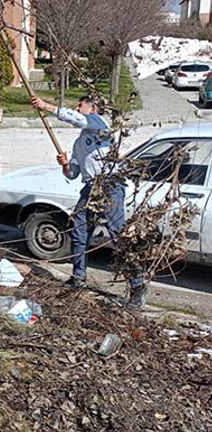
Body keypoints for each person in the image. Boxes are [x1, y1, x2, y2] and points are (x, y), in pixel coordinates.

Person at [31, 96, 148, 308]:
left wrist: (46, 106)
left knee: (118, 234)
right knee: (79, 230)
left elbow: (75, 118)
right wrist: (65, 164)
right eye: (77, 105)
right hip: (90, 188)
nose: (77, 108)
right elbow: (73, 173)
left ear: (92, 108)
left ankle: (137, 286)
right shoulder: (79, 144)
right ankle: (78, 277)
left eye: (80, 105)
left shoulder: (99, 124)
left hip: (110, 184)